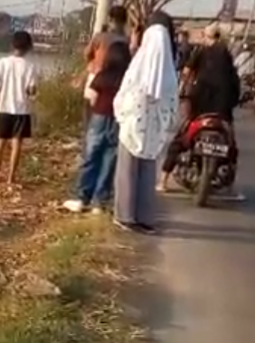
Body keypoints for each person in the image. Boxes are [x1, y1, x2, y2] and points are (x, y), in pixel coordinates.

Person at [158, 23, 242, 196]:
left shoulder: (200, 52)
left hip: (200, 100)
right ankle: (231, 184)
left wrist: (182, 90)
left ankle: (163, 180)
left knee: (180, 139)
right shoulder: (227, 56)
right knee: (231, 143)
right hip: (222, 105)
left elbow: (187, 71)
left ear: (206, 36)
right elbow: (235, 83)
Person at [113, 18, 180, 234]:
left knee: (127, 171)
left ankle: (125, 215)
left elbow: (124, 93)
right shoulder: (169, 72)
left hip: (133, 127)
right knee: (147, 173)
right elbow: (172, 105)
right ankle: (145, 218)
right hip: (154, 132)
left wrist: (122, 115)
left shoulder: (139, 64)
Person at [63, 41, 132, 213]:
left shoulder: (103, 75)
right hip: (119, 121)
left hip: (99, 118)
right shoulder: (129, 78)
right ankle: (99, 203)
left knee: (91, 157)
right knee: (109, 162)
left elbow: (92, 98)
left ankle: (82, 198)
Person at [0, 30, 37, 185]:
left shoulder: (3, 62)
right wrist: (31, 93)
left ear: (12, 45)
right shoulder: (30, 66)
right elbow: (31, 90)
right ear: (29, 47)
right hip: (21, 110)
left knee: (0, 143)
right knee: (17, 144)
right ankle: (11, 178)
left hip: (4, 108)